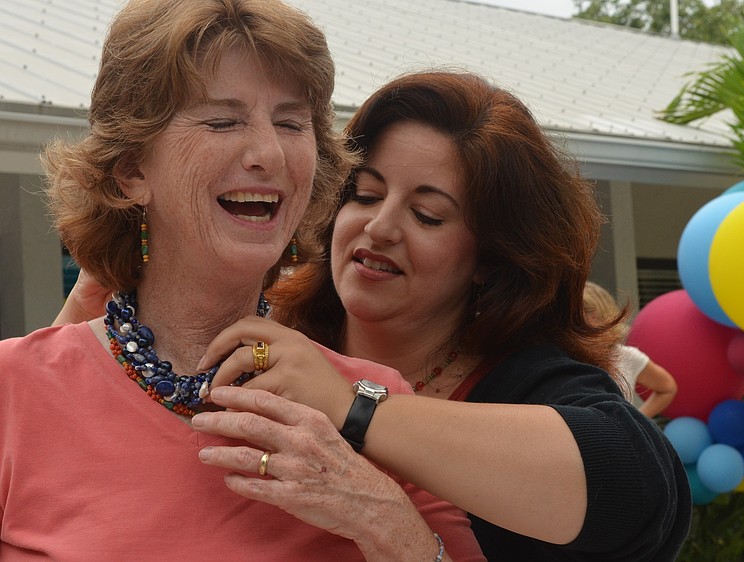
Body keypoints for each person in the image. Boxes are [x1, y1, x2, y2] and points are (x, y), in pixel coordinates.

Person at [1, 1, 485, 560]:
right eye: (222, 121)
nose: (269, 154)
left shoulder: (375, 407)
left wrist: (386, 519)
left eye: (291, 123)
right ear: (132, 170)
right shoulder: (15, 390)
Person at [189, 71, 692, 561]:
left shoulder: (527, 383)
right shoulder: (266, 339)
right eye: (366, 195)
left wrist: (352, 405)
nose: (380, 227)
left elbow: (641, 492)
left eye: (427, 215)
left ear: (489, 257)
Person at [583, 281, 679, 418]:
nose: (577, 321)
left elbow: (667, 388)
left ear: (605, 316)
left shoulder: (626, 356)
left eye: (587, 312)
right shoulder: (559, 356)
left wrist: (635, 420)